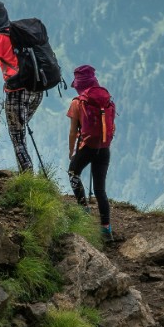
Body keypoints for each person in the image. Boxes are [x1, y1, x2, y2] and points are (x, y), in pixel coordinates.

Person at [0, 0, 43, 173]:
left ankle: (27, 179)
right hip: (36, 90)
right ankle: (27, 174)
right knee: (20, 130)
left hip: (17, 92)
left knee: (17, 137)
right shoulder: (19, 32)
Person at [67, 64, 116, 243]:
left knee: (73, 173)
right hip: (104, 148)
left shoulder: (77, 103)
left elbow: (73, 131)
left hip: (87, 147)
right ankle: (106, 229)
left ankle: (83, 209)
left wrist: (71, 150)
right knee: (100, 189)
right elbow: (112, 126)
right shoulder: (107, 101)